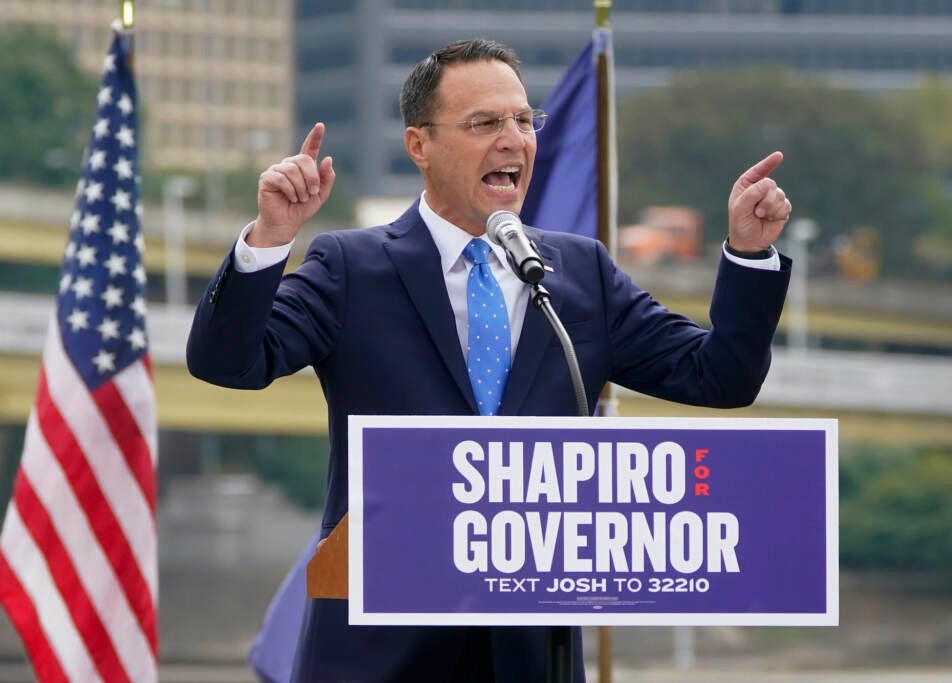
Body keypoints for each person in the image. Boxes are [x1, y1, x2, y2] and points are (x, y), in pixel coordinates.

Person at [187, 38, 792, 683]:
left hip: (529, 652)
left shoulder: (577, 272)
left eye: (523, 121)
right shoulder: (351, 268)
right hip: (376, 650)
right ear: (419, 145)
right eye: (484, 124)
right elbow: (229, 363)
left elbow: (719, 376)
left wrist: (748, 256)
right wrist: (269, 241)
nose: (513, 140)